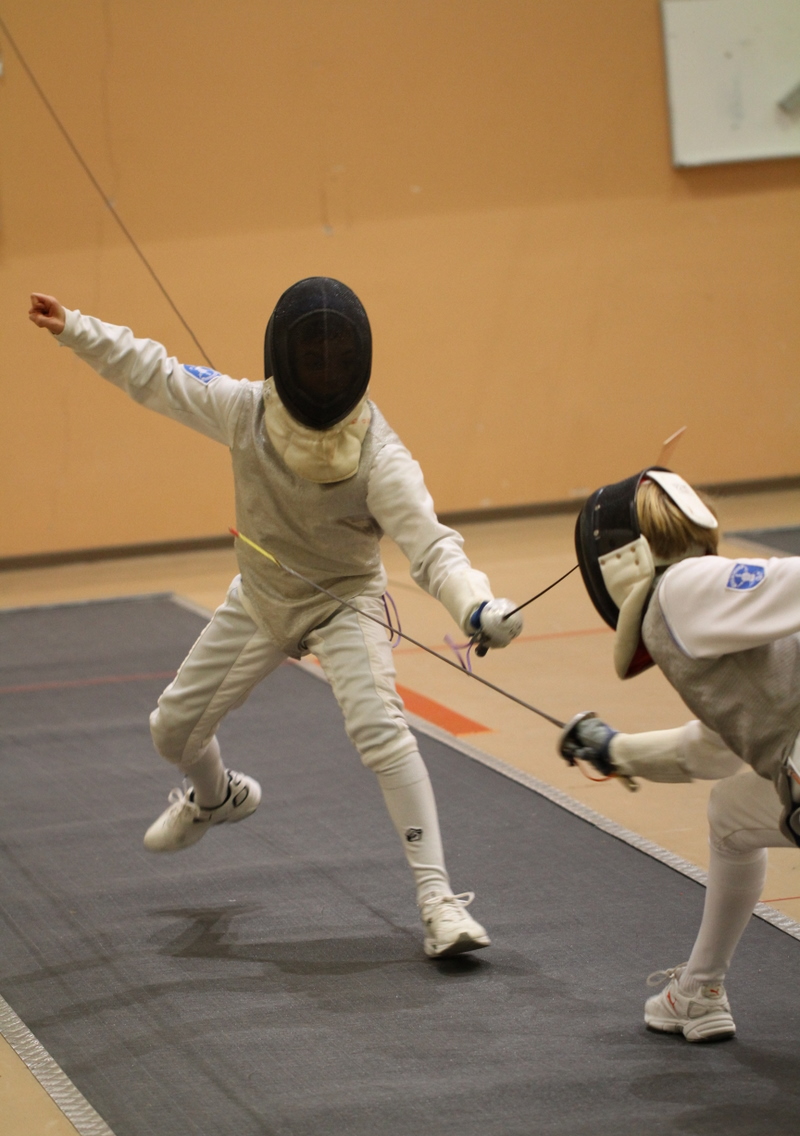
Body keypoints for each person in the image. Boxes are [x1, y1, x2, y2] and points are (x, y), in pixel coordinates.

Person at [29, 279, 523, 958]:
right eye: (310, 358)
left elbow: (434, 549)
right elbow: (156, 374)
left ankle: (439, 902)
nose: (322, 371)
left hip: (344, 602)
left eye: (334, 359)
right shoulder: (244, 410)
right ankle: (216, 798)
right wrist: (76, 327)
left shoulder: (381, 457)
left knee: (381, 730)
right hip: (261, 598)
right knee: (171, 731)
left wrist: (477, 606)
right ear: (284, 359)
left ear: (357, 363)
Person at [560, 465, 800, 1040]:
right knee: (732, 812)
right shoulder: (690, 612)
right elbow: (718, 751)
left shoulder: (684, 588)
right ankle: (698, 991)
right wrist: (618, 750)